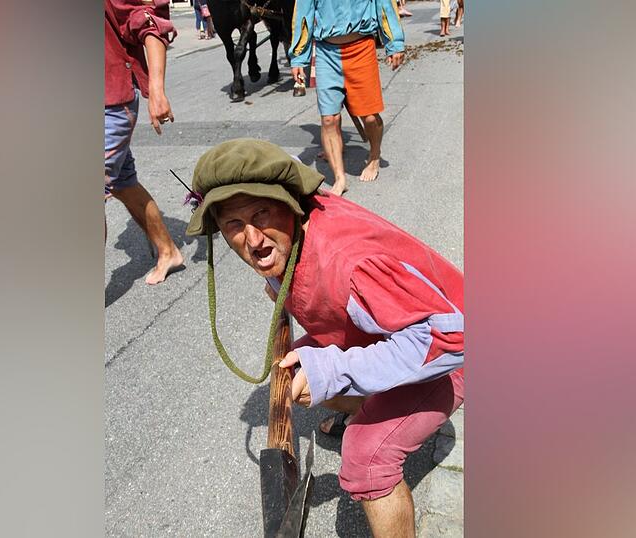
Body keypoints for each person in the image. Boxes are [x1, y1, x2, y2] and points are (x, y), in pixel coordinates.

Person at [186, 139, 465, 538]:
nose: (253, 239)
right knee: (296, 371)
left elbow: (450, 337)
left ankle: (370, 418)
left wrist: (333, 369)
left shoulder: (346, 261)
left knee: (366, 455)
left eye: (261, 213)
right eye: (233, 225)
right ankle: (363, 403)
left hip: (450, 355)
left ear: (289, 204)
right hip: (390, 331)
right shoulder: (292, 232)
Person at [288, 0, 406, 195]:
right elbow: (303, 14)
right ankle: (340, 178)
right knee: (328, 119)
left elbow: (384, 4)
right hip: (327, 52)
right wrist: (299, 57)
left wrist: (395, 43)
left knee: (369, 116)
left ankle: (374, 156)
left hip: (361, 49)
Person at [105, 0, 184, 285]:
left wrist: (157, 90)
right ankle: (168, 250)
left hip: (110, 100)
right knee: (123, 183)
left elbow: (148, 21)